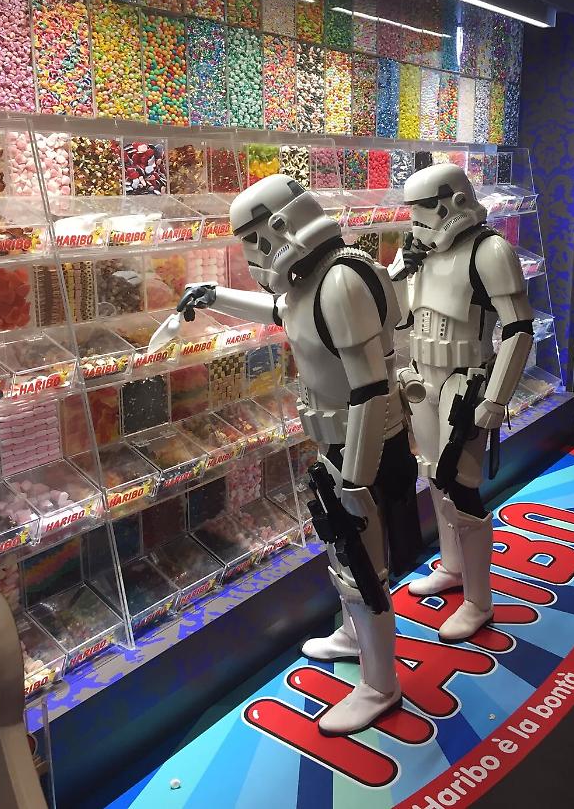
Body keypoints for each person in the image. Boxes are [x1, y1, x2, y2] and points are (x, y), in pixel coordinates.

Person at [156, 174, 420, 735]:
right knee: (344, 554)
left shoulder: (339, 281)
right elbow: (280, 311)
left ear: (280, 227)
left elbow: (371, 389)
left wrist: (355, 477)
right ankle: (352, 636)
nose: (253, 255)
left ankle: (380, 685)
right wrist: (214, 295)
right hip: (339, 441)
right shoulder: (314, 280)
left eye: (254, 242)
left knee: (363, 568)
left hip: (363, 445)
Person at [390, 163, 534, 640]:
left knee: (462, 485)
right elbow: (396, 315)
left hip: (464, 384)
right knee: (435, 476)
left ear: (452, 203)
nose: (416, 222)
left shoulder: (490, 250)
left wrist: (495, 399)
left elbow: (518, 329)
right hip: (422, 378)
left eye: (423, 211)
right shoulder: (419, 252)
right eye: (412, 213)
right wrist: (400, 269)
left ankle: (479, 599)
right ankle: (453, 567)